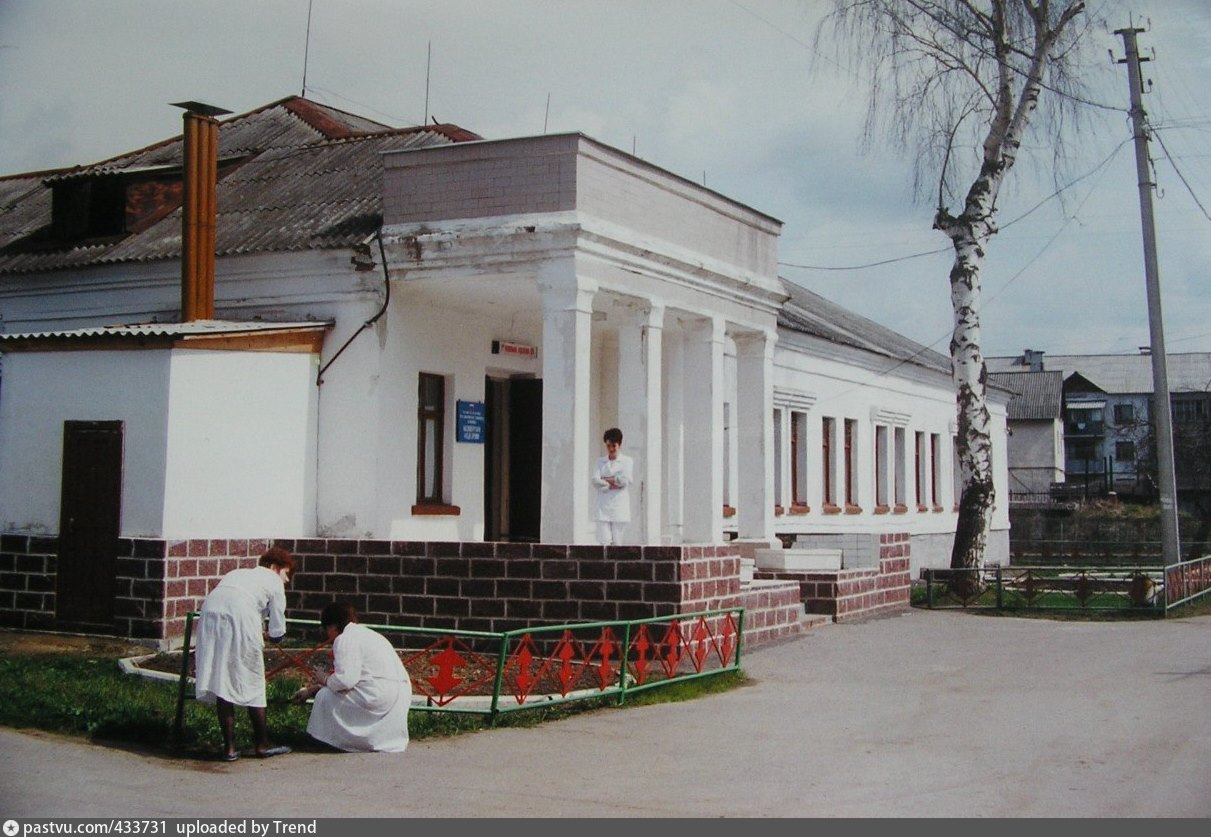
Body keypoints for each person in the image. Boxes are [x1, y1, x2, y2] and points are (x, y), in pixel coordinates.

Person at [193, 546, 295, 762]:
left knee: (221, 676)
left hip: (210, 615)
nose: (286, 580)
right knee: (253, 678)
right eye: (286, 573)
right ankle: (262, 744)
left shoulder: (237, 573)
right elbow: (278, 630)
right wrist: (273, 636)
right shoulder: (274, 582)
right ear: (275, 567)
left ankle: (229, 748)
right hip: (240, 616)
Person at [292, 601, 412, 753]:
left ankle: (325, 740)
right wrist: (311, 690)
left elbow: (345, 680)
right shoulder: (370, 634)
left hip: (377, 695)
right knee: (327, 691)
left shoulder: (344, 639)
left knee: (325, 696)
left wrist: (324, 679)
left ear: (333, 626)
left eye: (327, 629)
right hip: (399, 694)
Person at [591, 426, 633, 545]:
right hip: (603, 506)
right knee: (604, 541)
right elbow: (595, 480)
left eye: (613, 445)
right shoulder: (600, 462)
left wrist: (605, 480)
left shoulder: (627, 461)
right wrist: (613, 482)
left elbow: (624, 480)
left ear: (619, 445)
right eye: (608, 445)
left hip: (619, 507)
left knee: (617, 543)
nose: (611, 449)